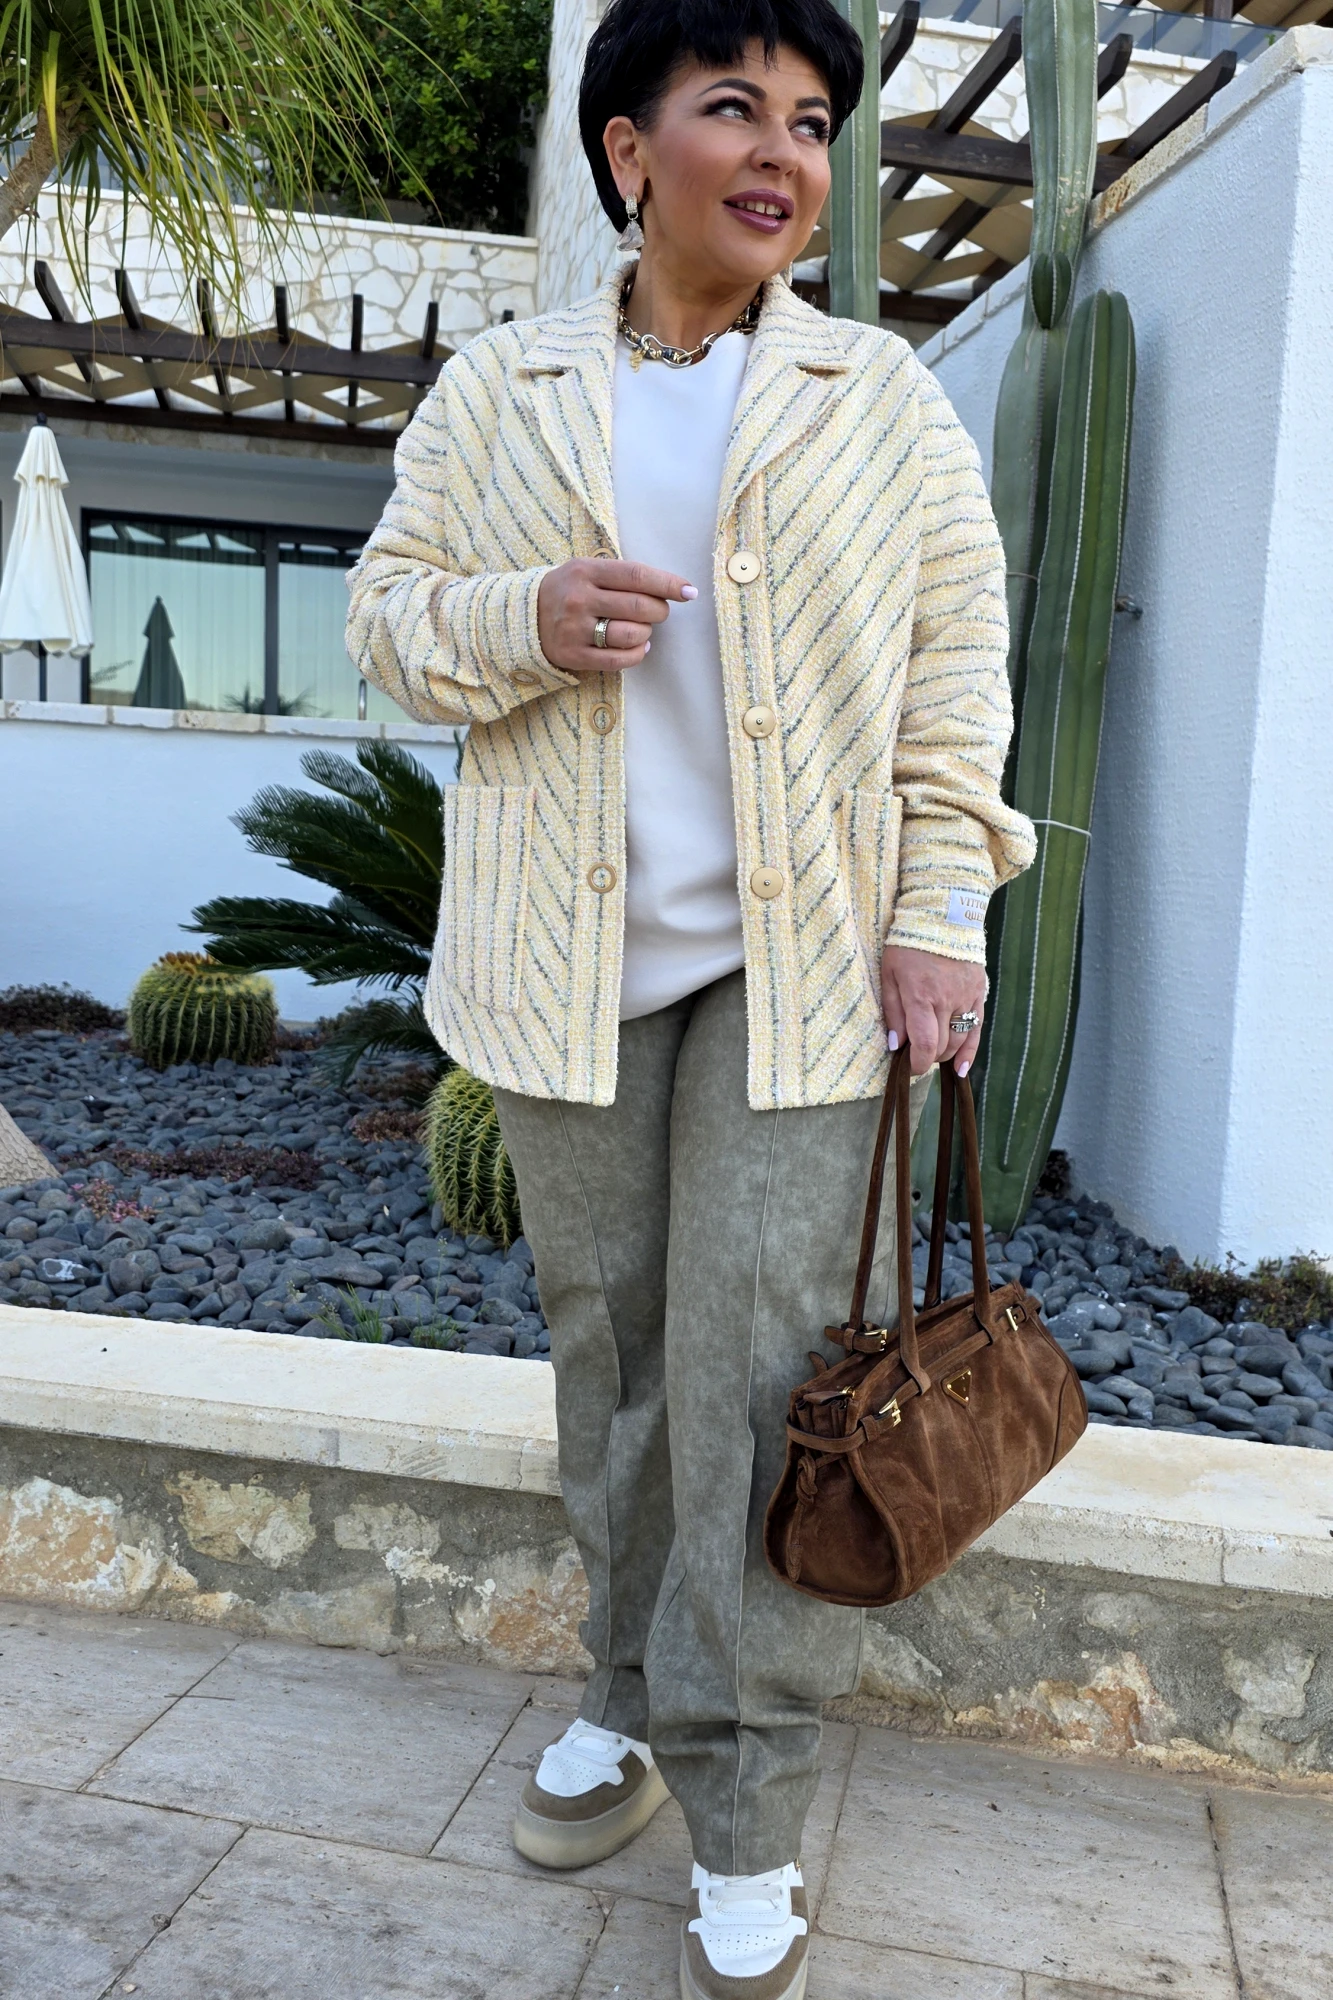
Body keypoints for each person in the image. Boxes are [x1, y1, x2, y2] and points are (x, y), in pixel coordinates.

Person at [347, 1, 1035, 1991]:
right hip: (563, 971)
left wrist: (943, 914)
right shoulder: (502, 388)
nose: (785, 152)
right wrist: (529, 616)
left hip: (795, 973)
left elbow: (957, 678)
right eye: (736, 107)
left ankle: (743, 1802)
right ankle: (628, 1693)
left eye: (813, 121)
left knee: (755, 1372)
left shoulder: (879, 398)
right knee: (616, 1358)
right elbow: (387, 618)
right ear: (629, 149)